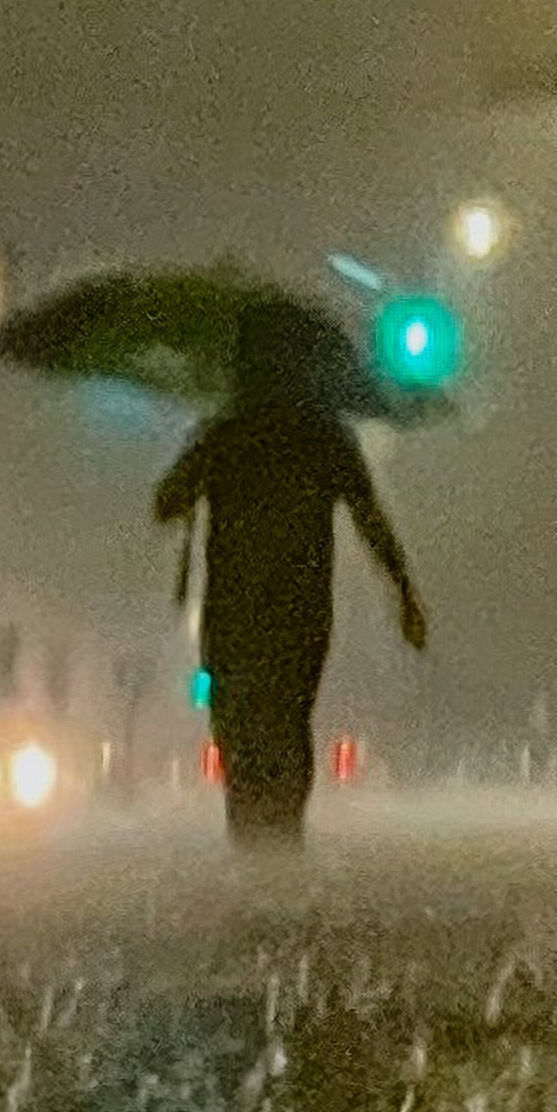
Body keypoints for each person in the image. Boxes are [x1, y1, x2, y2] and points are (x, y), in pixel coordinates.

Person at [150, 309, 427, 847]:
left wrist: (196, 449)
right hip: (300, 609)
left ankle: (252, 839)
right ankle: (282, 840)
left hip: (234, 612)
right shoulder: (323, 435)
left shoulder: (225, 435)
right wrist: (403, 593)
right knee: (286, 722)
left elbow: (166, 504)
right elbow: (371, 521)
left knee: (240, 732)